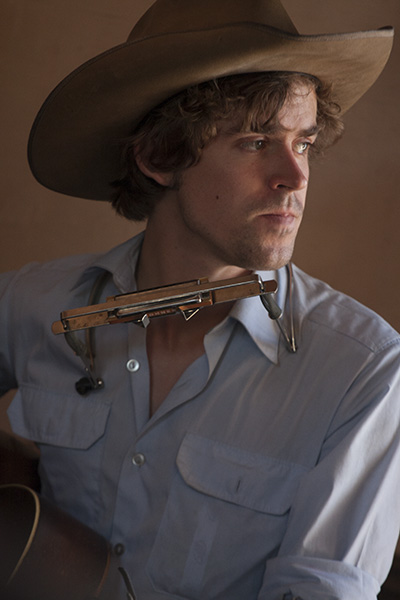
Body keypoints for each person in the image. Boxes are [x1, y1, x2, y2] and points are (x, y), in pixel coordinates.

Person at [1, 0, 399, 598]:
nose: (295, 177)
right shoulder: (30, 303)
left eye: (304, 143)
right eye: (257, 141)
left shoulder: (363, 369)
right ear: (160, 157)